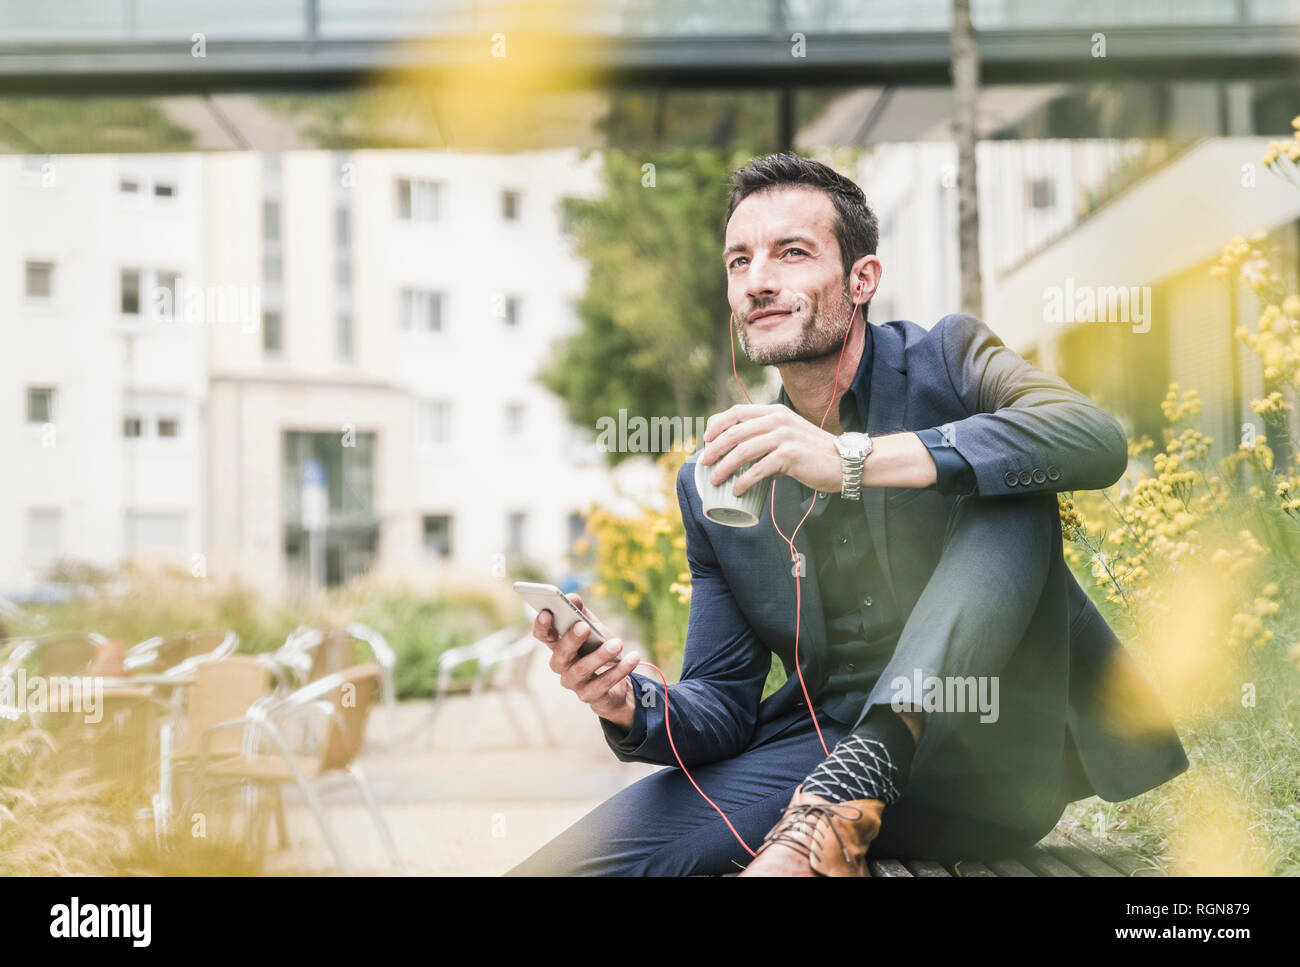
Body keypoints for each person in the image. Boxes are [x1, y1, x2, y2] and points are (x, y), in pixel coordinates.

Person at [505, 152, 1187, 877]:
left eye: (790, 253)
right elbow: (724, 704)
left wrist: (849, 462)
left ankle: (851, 787)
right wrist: (627, 700)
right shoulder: (722, 476)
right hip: (813, 756)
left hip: (988, 755)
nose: (757, 280)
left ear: (862, 279)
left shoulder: (949, 361)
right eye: (739, 261)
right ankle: (830, 807)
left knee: (1009, 476)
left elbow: (1092, 438)